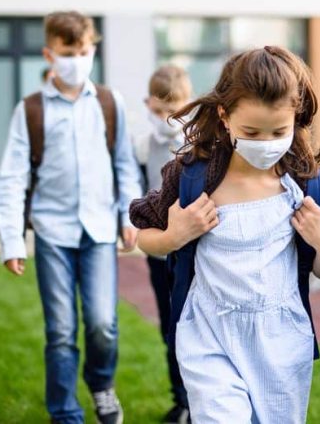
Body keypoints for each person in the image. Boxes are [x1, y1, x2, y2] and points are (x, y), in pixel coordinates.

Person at [129, 46, 320, 424]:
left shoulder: (307, 183)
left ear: (295, 119)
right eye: (251, 132)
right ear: (224, 116)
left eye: (278, 131)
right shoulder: (193, 176)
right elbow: (142, 233)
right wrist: (173, 236)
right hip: (209, 333)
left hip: (282, 340)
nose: (265, 143)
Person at [0, 11, 142, 424]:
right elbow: (11, 179)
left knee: (102, 324)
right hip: (52, 233)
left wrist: (130, 215)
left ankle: (101, 383)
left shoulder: (111, 104)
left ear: (93, 50)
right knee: (60, 332)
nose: (76, 59)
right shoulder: (31, 110)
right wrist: (10, 240)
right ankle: (65, 414)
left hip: (98, 231)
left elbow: (125, 166)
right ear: (49, 53)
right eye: (67, 52)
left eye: (83, 51)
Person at [142, 64, 193, 424]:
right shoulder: (144, 146)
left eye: (173, 111)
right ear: (149, 106)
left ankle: (199, 400)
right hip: (160, 251)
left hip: (192, 251)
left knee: (193, 326)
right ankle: (181, 398)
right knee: (169, 327)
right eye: (160, 112)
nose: (166, 119)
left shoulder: (198, 145)